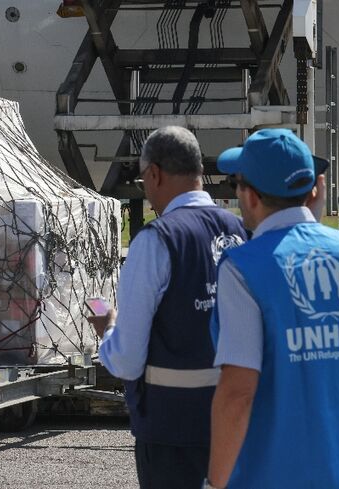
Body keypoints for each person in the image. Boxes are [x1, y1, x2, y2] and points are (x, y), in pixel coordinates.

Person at [206, 128, 339, 489]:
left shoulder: (244, 268)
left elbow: (237, 392)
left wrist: (214, 483)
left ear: (249, 195)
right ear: (314, 189)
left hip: (275, 471)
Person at [88, 126, 247, 489]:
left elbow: (127, 359)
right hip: (237, 425)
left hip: (173, 432)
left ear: (154, 173)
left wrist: (108, 330)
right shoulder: (240, 231)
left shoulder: (157, 241)